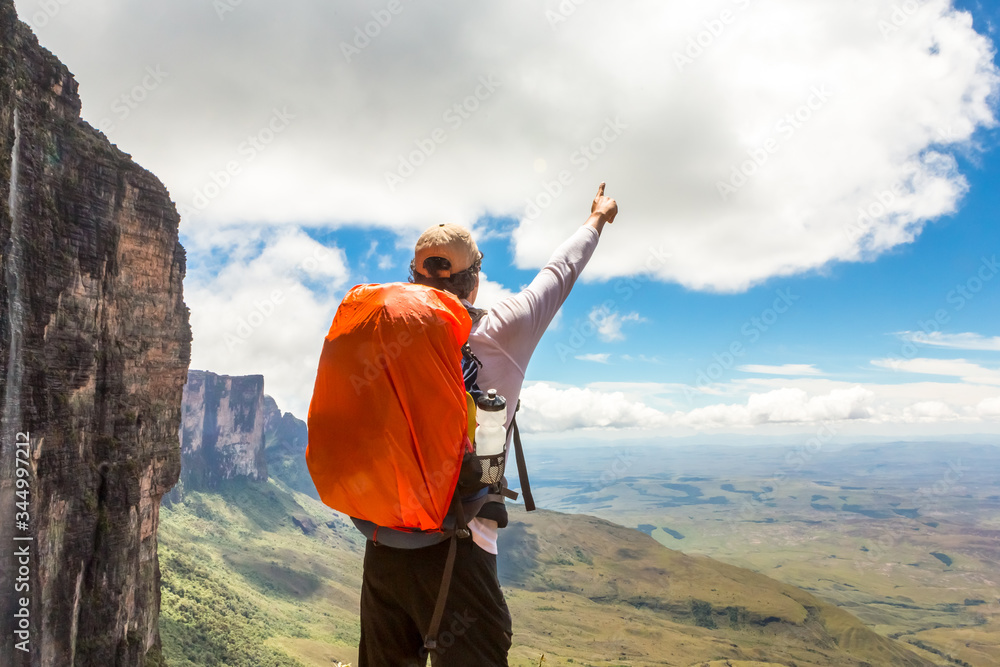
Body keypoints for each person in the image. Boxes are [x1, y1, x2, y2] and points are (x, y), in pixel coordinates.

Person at [358, 183, 619, 667]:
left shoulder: (381, 329)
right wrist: (597, 218)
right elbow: (560, 272)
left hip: (384, 548)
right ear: (473, 281)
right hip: (460, 548)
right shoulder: (502, 330)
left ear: (413, 278)